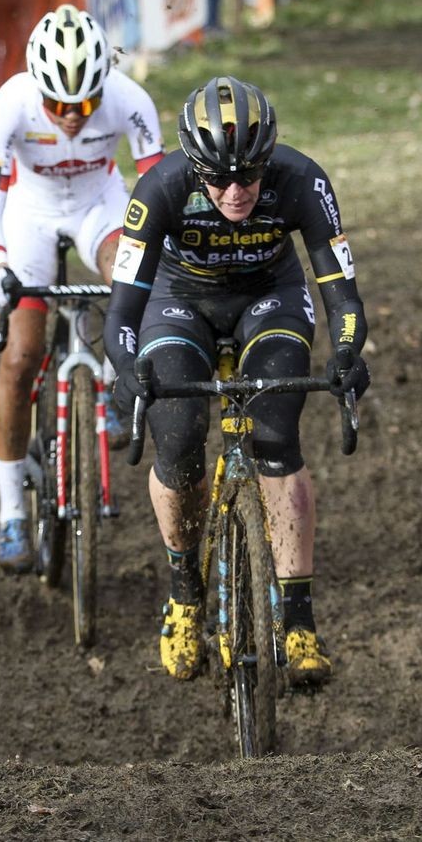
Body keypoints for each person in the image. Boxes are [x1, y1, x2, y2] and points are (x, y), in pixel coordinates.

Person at [102, 76, 370, 685]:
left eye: (249, 175)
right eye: (218, 178)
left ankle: (299, 622)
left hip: (270, 297)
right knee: (177, 438)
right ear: (194, 167)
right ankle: (185, 597)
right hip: (180, 302)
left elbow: (341, 292)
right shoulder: (159, 187)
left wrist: (349, 351)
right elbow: (121, 311)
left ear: (268, 159)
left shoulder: (303, 179)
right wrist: (127, 370)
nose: (235, 190)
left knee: (277, 438)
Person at [0, 4, 165, 572]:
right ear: (38, 88)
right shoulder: (8, 105)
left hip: (98, 209)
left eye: (84, 104)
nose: (71, 117)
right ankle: (12, 511)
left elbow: (155, 193)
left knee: (131, 278)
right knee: (20, 357)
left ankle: (110, 382)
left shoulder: (130, 101)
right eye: (57, 105)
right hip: (28, 219)